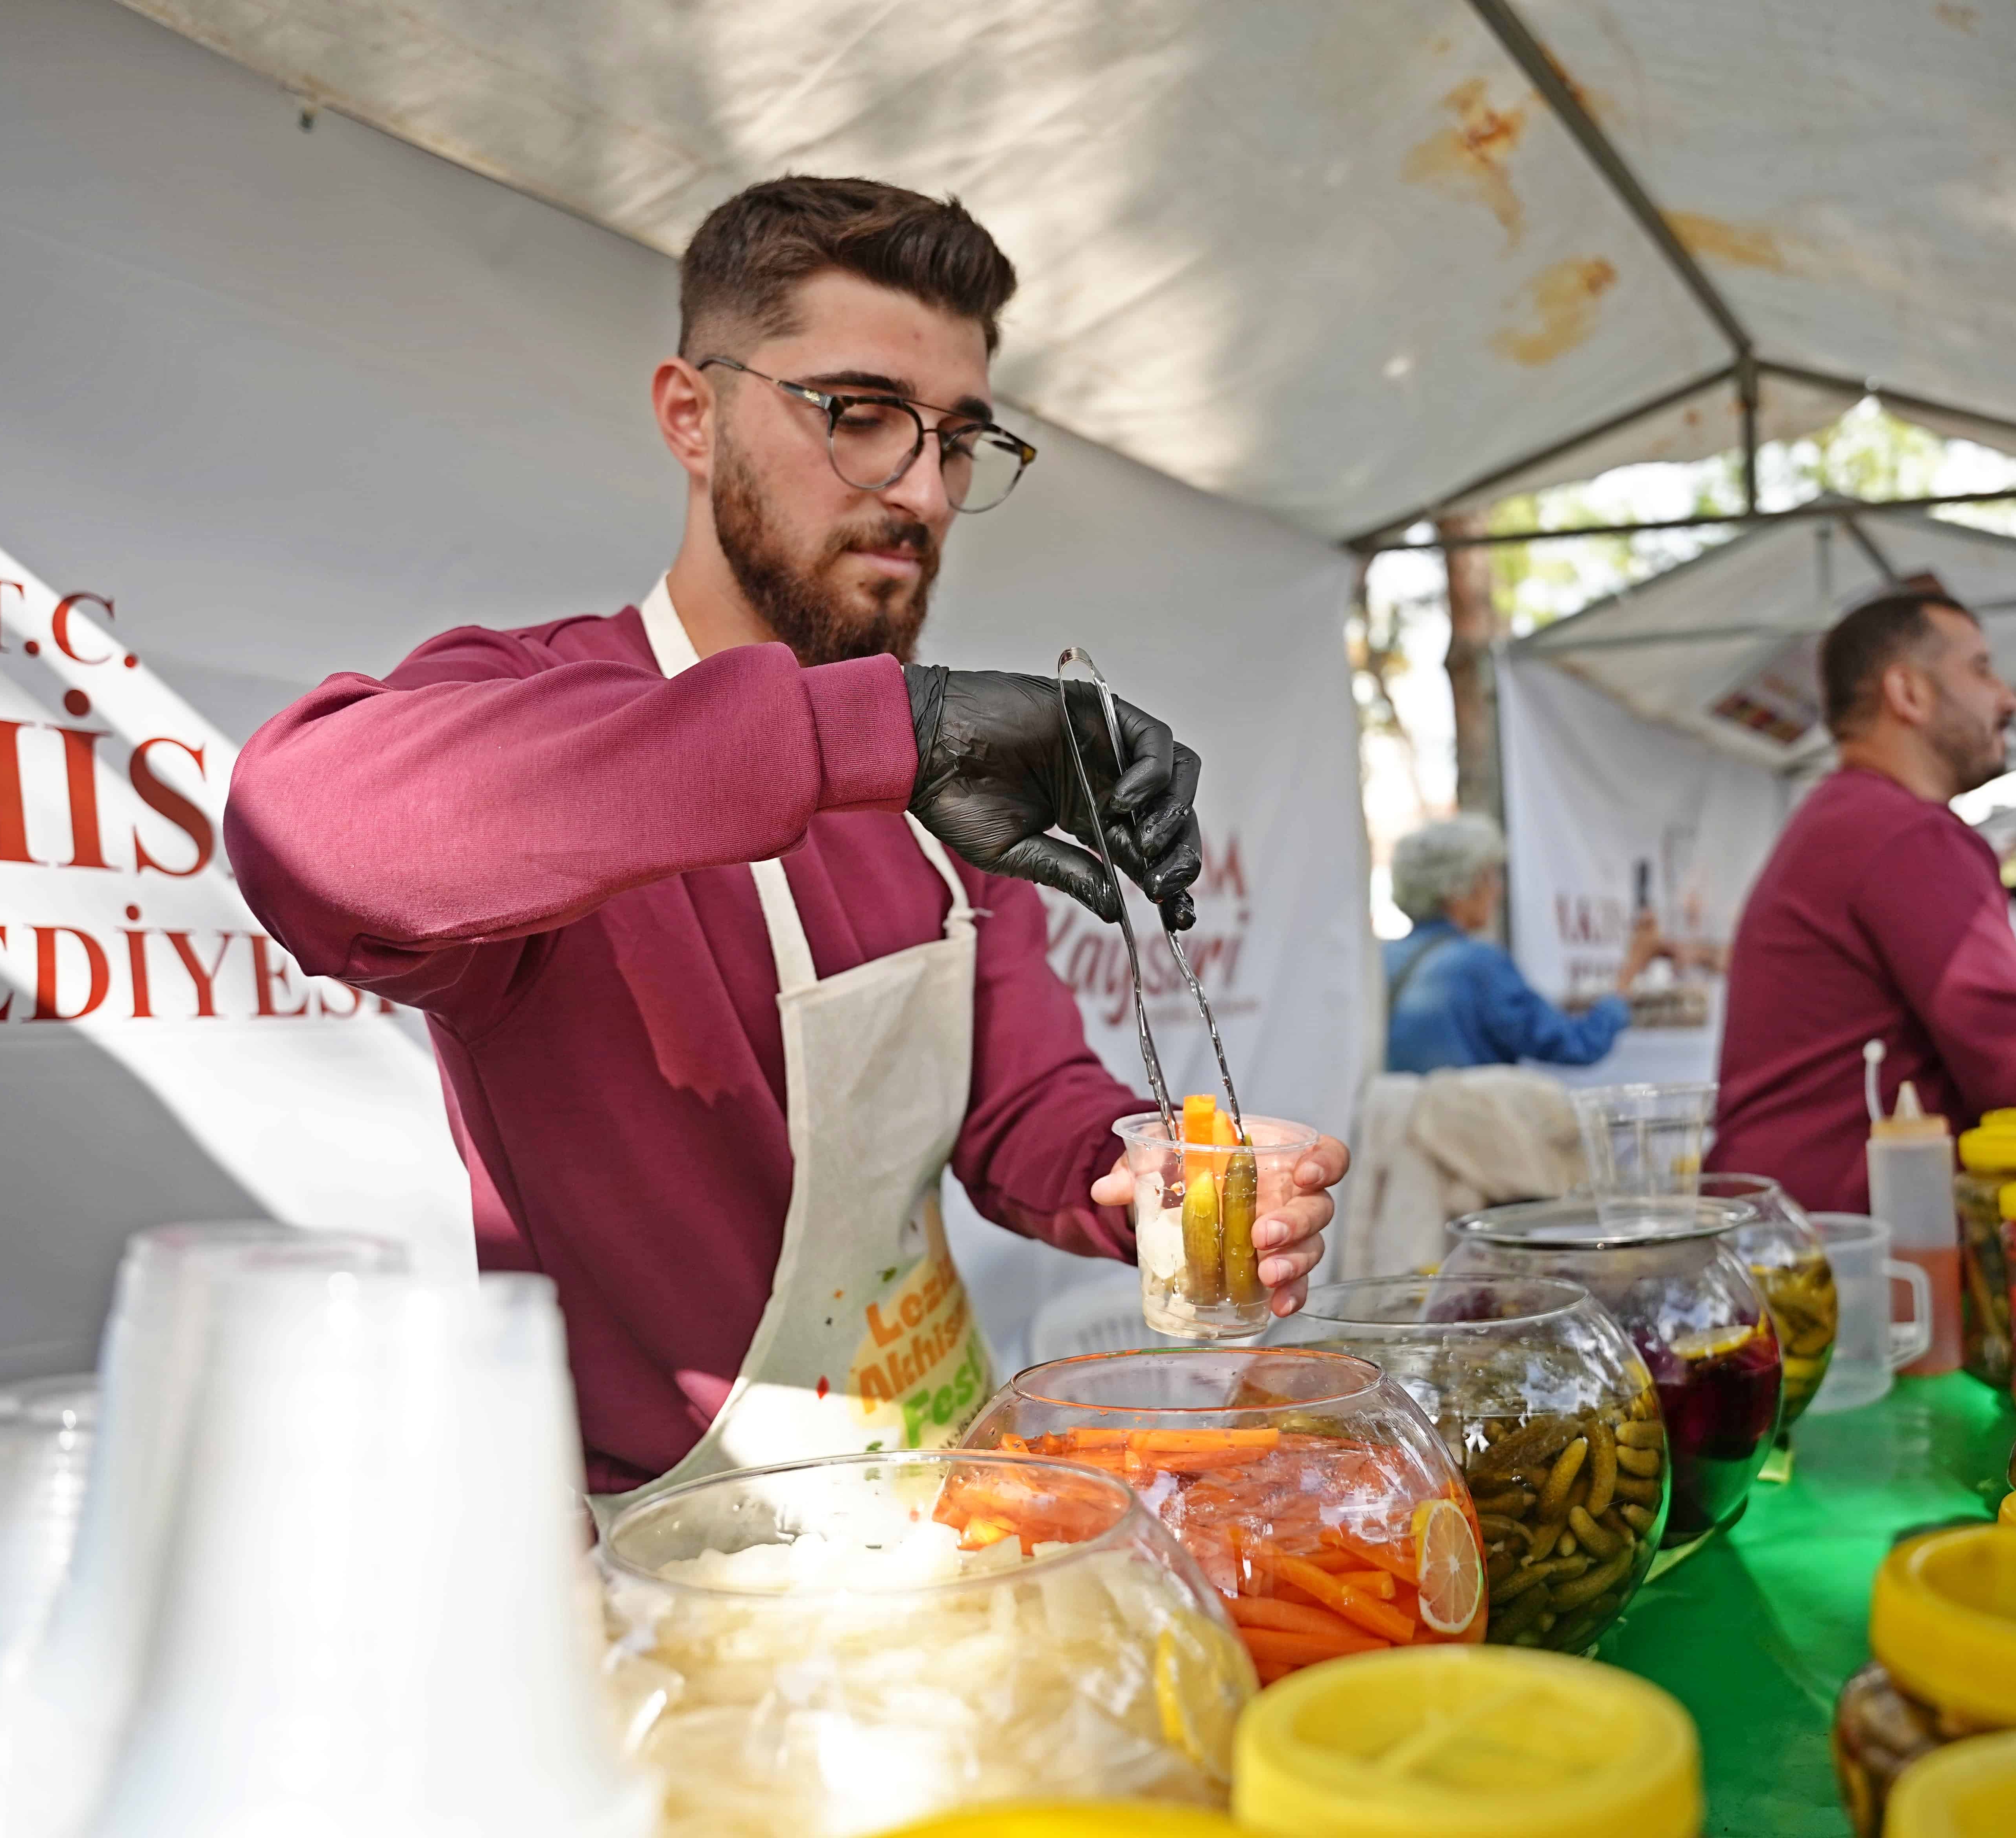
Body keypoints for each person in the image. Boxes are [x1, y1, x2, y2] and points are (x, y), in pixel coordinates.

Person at [225, 177, 1348, 1495]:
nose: (924, 493)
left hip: (943, 1489)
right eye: (860, 414)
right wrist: (881, 731)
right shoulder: (554, 710)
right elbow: (304, 825)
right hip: (671, 1550)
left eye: (959, 440)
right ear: (691, 417)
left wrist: (1146, 1175)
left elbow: (1020, 1110)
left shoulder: (935, 792)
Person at [1712, 583, 2016, 1212]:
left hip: (1789, 1223)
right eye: (1981, 668)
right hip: (1835, 1242)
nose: (2008, 698)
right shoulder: (1905, 834)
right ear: (1908, 693)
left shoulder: (1850, 819)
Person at [1383, 816, 1669, 1073]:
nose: (1498, 890)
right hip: (1465, 1116)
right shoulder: (1477, 965)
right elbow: (1579, 1044)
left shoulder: (1383, 958)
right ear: (1457, 887)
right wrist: (1630, 972)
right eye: (1488, 877)